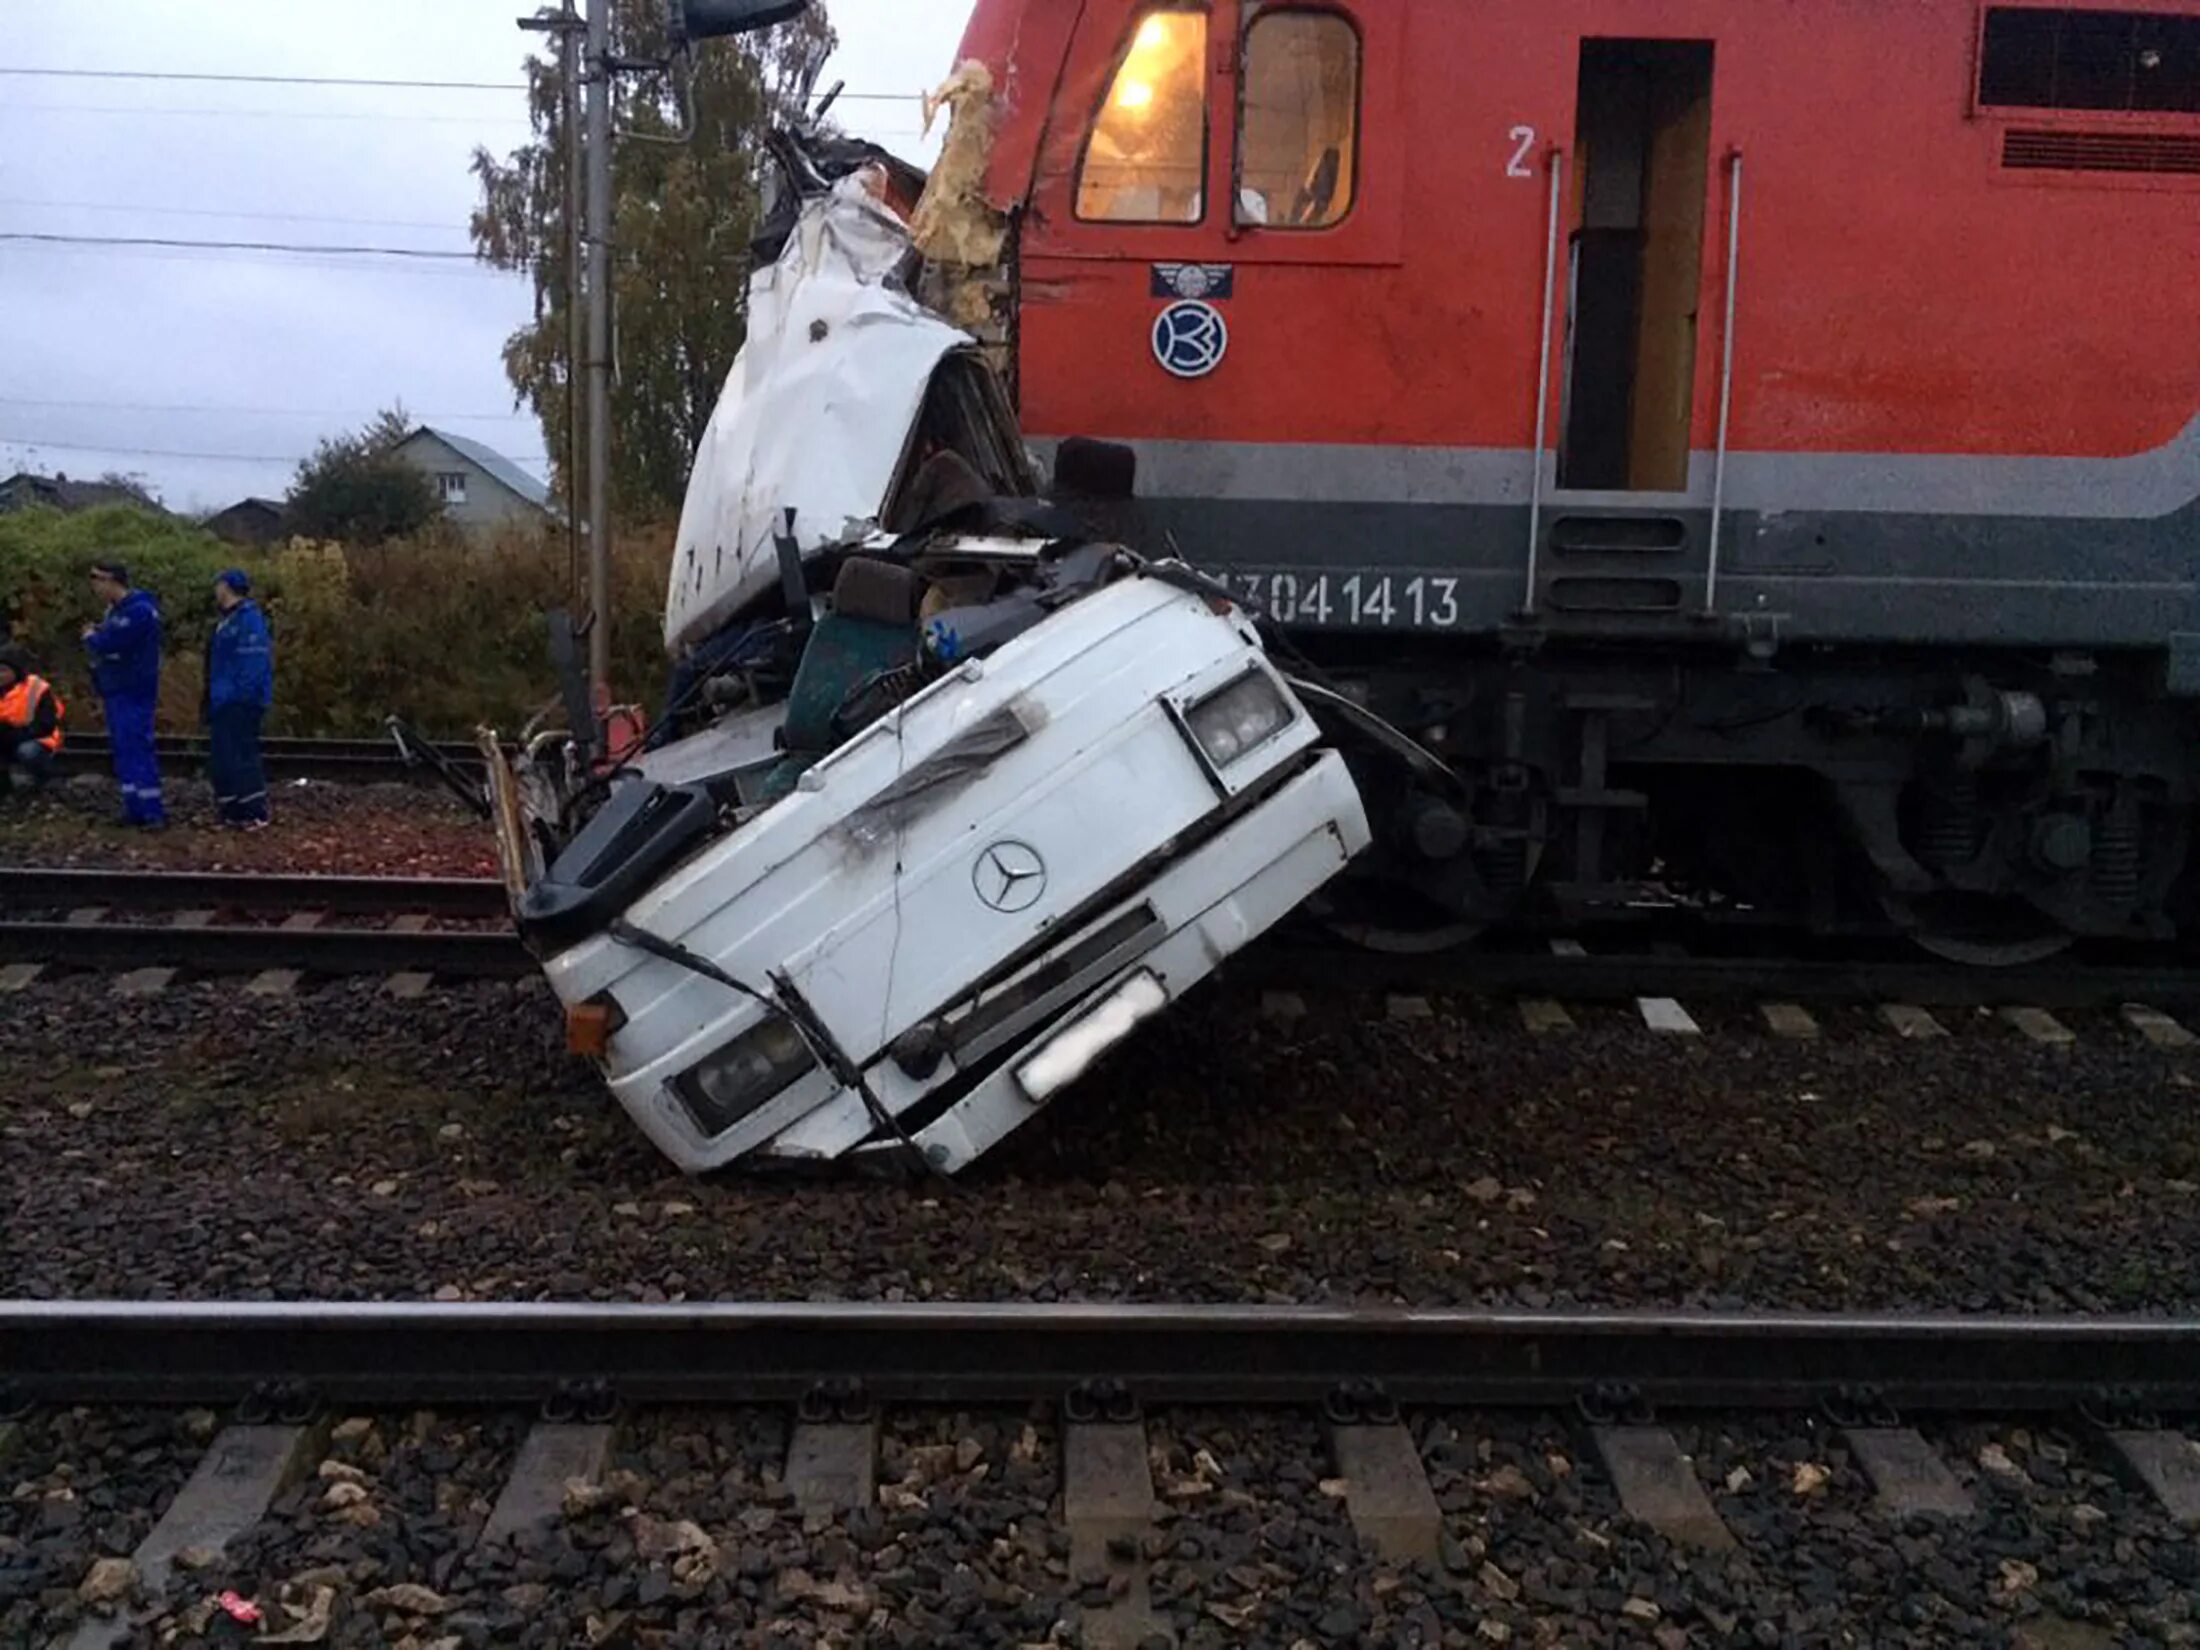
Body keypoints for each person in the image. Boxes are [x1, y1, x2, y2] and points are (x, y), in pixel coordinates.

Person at [82, 559, 166, 829]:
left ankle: (152, 811)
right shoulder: (115, 612)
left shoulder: (138, 611)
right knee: (124, 749)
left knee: (137, 747)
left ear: (112, 580)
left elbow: (110, 642)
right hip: (117, 688)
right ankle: (134, 807)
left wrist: (91, 637)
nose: (94, 585)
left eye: (97, 578)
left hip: (134, 689)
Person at [205, 569, 274, 827]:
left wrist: (241, 696)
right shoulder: (226, 621)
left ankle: (253, 810)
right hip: (222, 698)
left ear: (227, 587)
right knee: (224, 756)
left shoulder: (248, 619)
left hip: (239, 700)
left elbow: (253, 662)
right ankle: (231, 808)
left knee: (242, 754)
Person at [0, 645, 65, 798]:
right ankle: (5, 789)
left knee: (27, 751)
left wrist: (18, 735)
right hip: (6, 739)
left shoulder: (36, 688)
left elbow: (47, 724)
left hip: (37, 737)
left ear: (15, 670)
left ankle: (47, 780)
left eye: (3, 670)